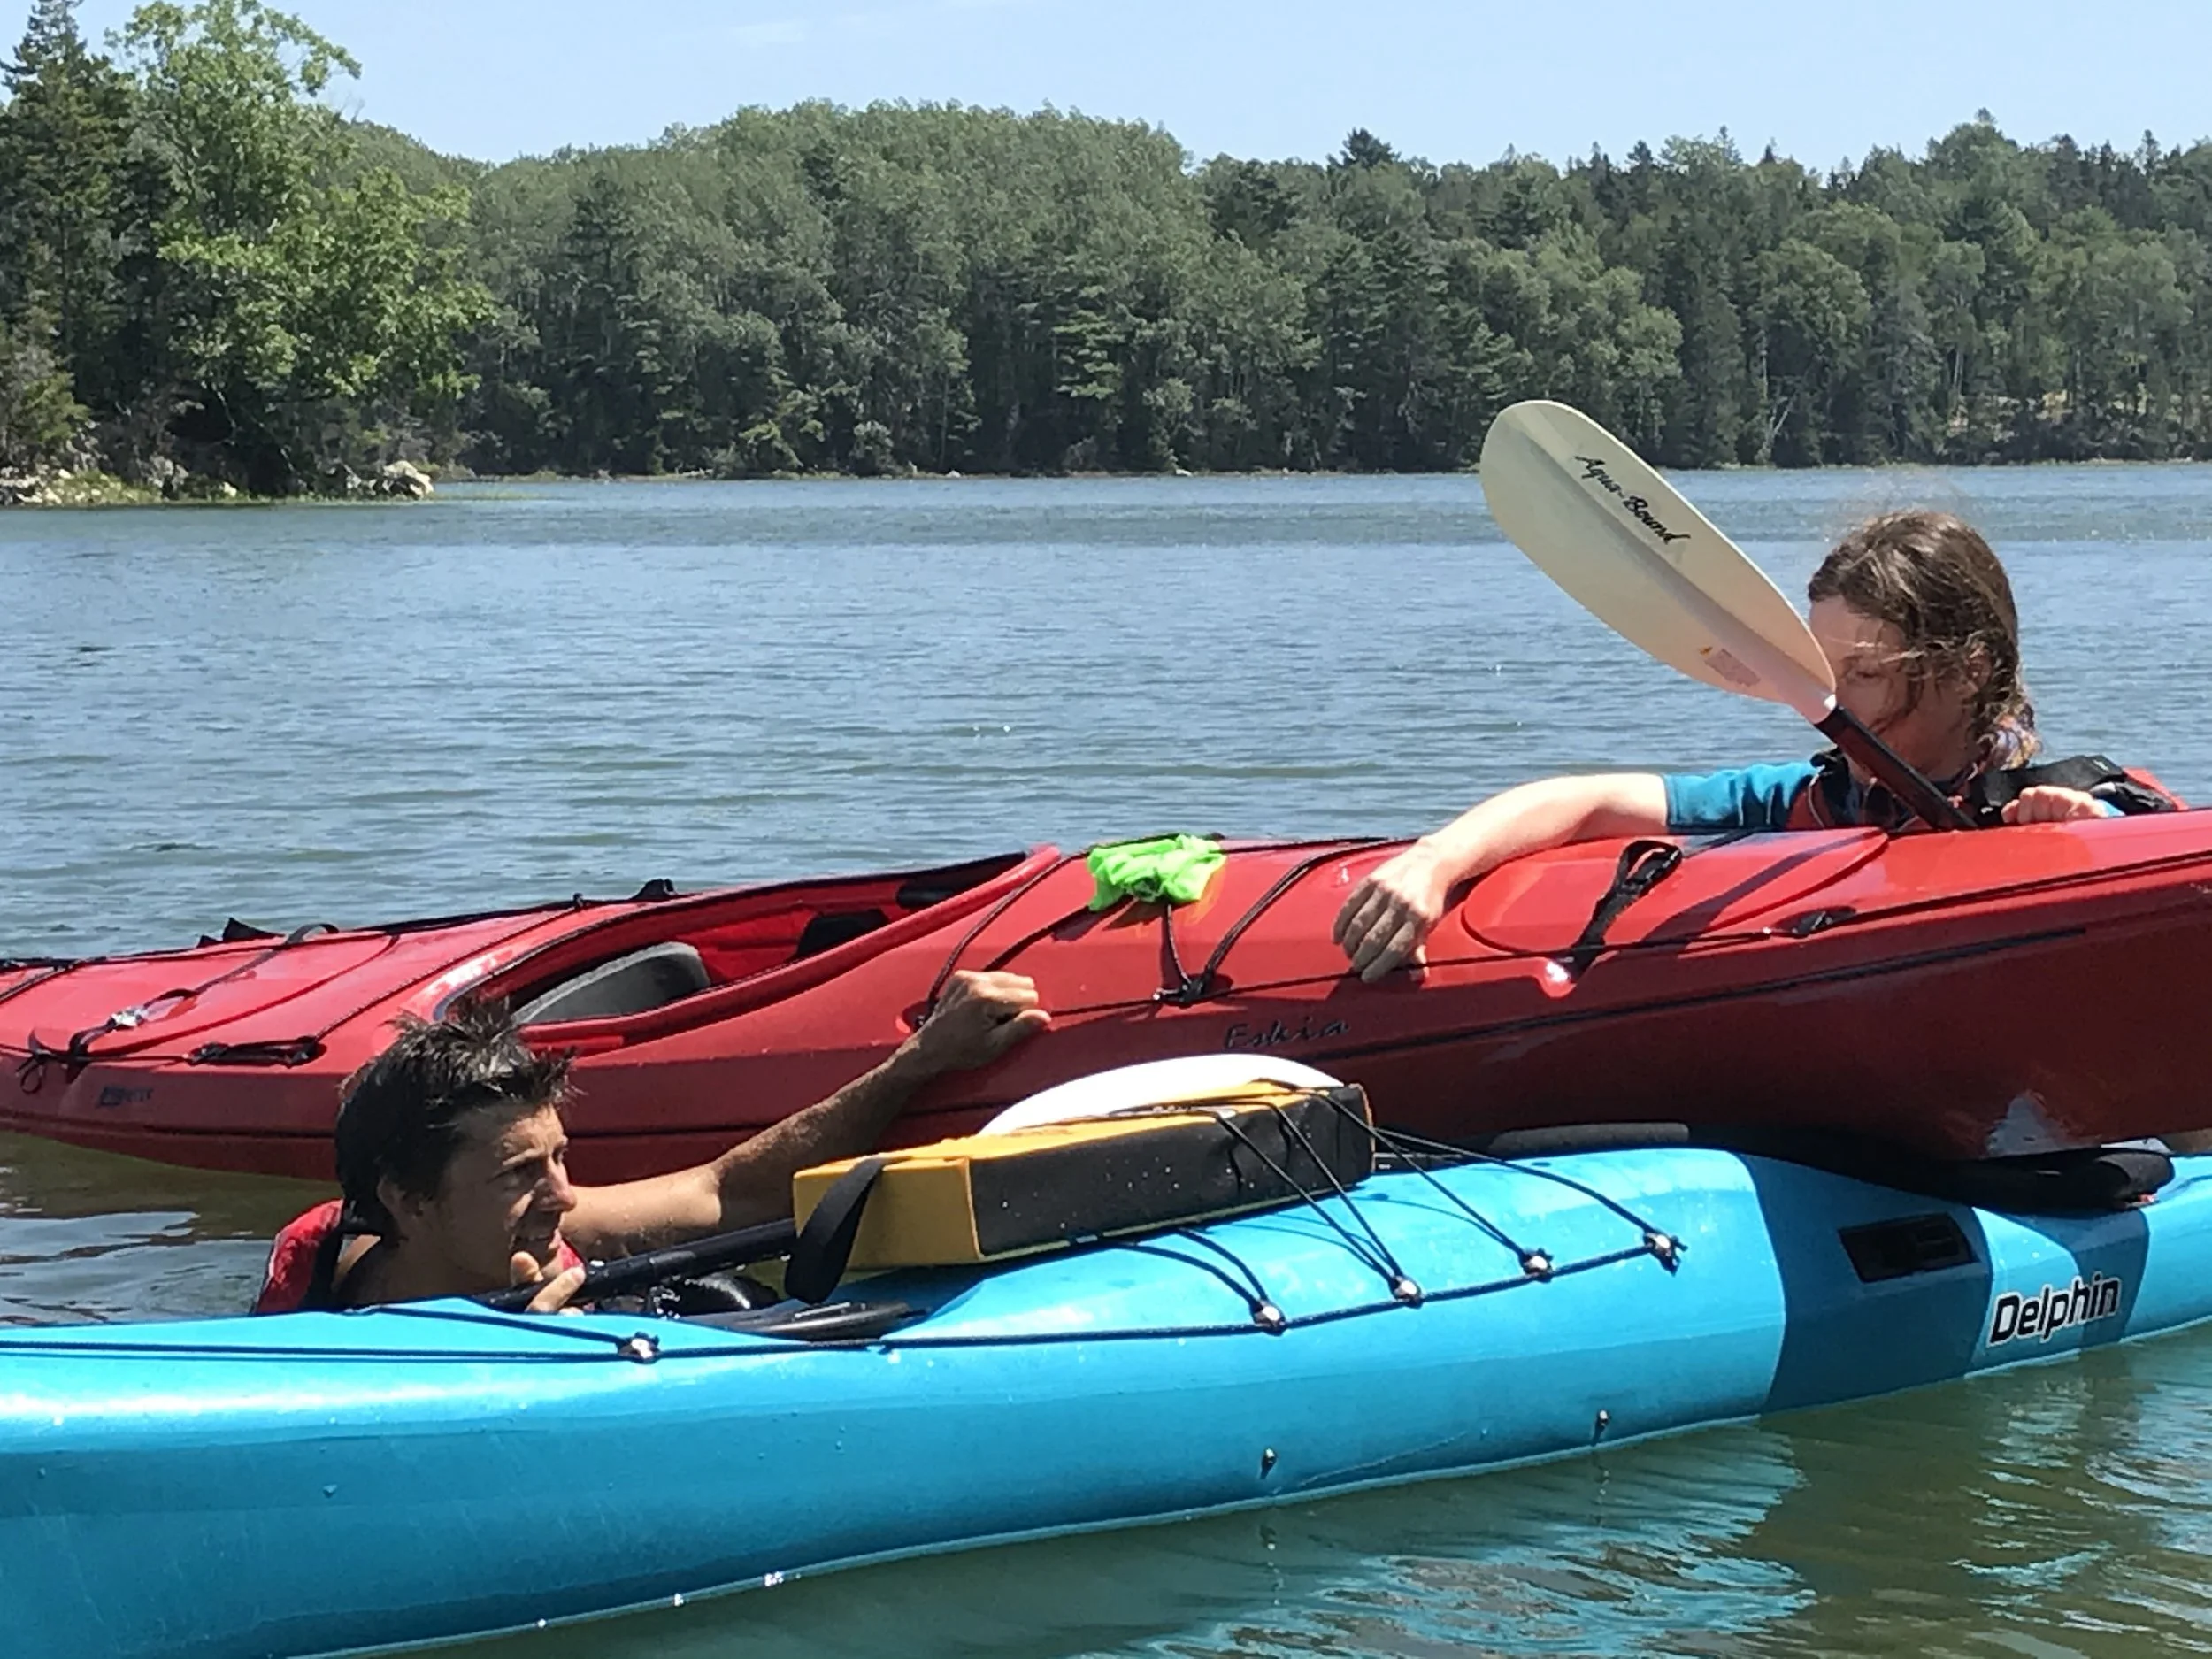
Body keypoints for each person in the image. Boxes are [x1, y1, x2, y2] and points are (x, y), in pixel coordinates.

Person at [1335, 510, 2175, 984]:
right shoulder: (1809, 802)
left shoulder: (2062, 805)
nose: (1834, 705)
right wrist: (1435, 861)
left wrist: (2080, 837)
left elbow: (2146, 862)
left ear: (1969, 669)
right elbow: (1590, 800)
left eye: (1867, 673)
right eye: (1820, 674)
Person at [253, 969, 1048, 1313]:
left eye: (559, 1156)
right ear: (405, 1199)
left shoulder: (557, 1247)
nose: (563, 1194)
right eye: (518, 1172)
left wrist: (919, 1061)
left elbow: (728, 1193)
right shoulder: (314, 1274)